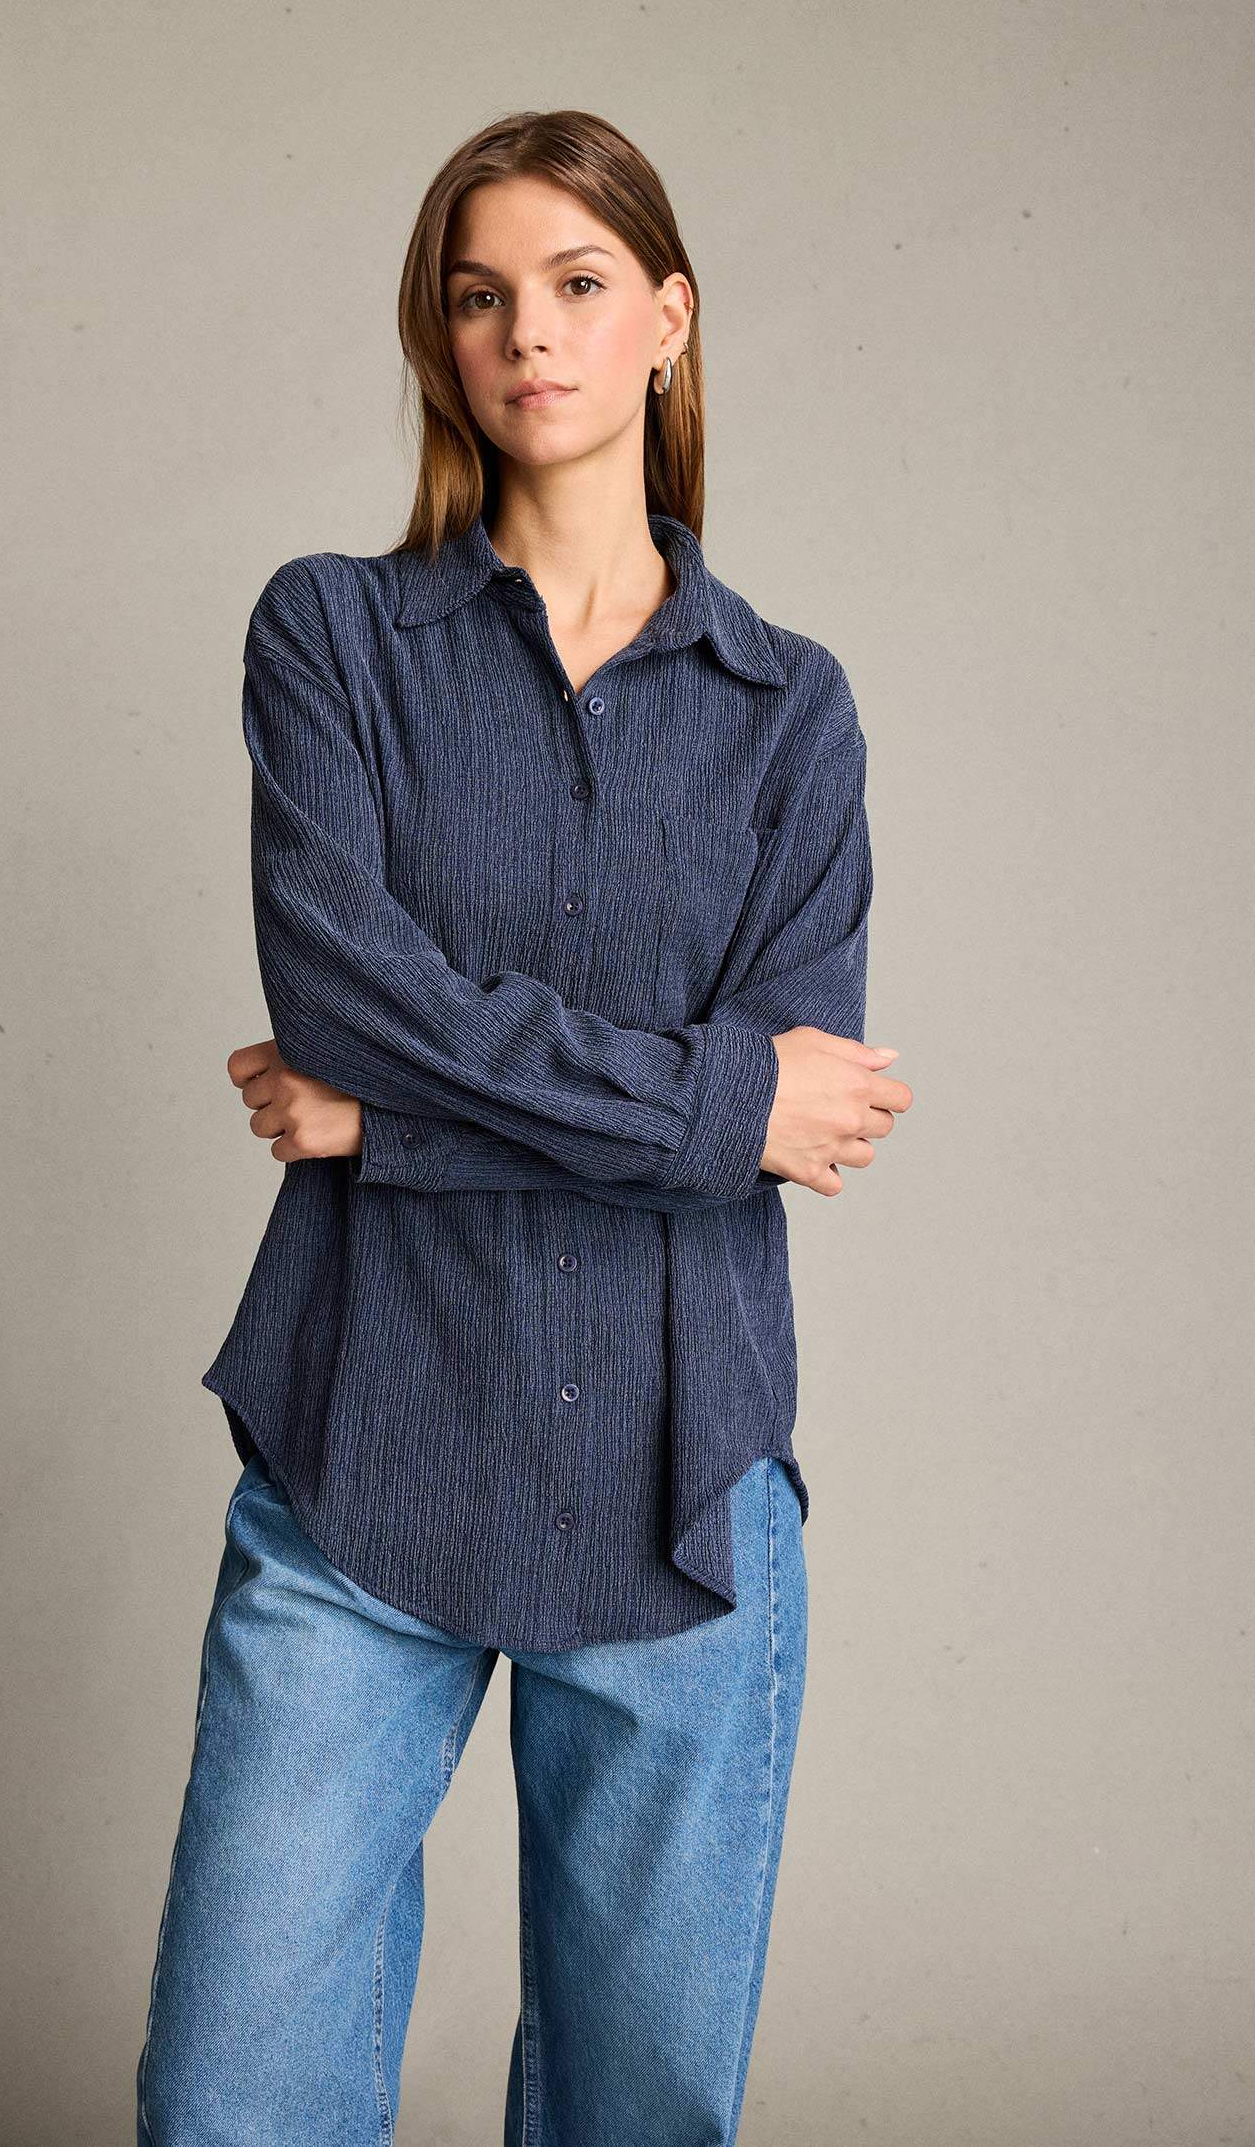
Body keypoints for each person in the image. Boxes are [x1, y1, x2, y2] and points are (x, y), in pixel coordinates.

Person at [135, 108, 911, 2146]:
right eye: (480, 297)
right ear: (439, 339)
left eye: (576, 285)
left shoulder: (791, 711)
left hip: (680, 1482)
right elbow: (361, 1003)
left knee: (640, 2116)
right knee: (233, 2096)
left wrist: (388, 1127)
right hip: (364, 1444)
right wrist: (713, 1099)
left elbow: (790, 1099)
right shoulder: (330, 636)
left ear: (670, 319)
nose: (528, 336)